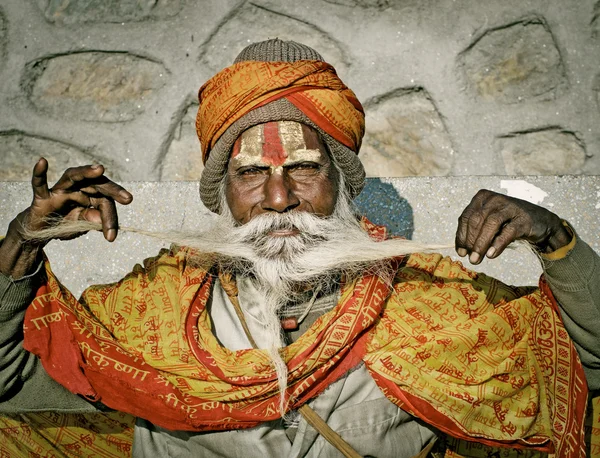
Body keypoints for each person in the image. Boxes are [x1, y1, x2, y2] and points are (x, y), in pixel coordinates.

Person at [0, 38, 598, 458]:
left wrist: (554, 240)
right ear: (223, 195)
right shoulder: (152, 310)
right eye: (250, 173)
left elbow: (581, 368)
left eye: (306, 169)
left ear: (341, 186)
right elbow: (13, 384)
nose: (279, 197)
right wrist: (22, 246)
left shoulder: (426, 301)